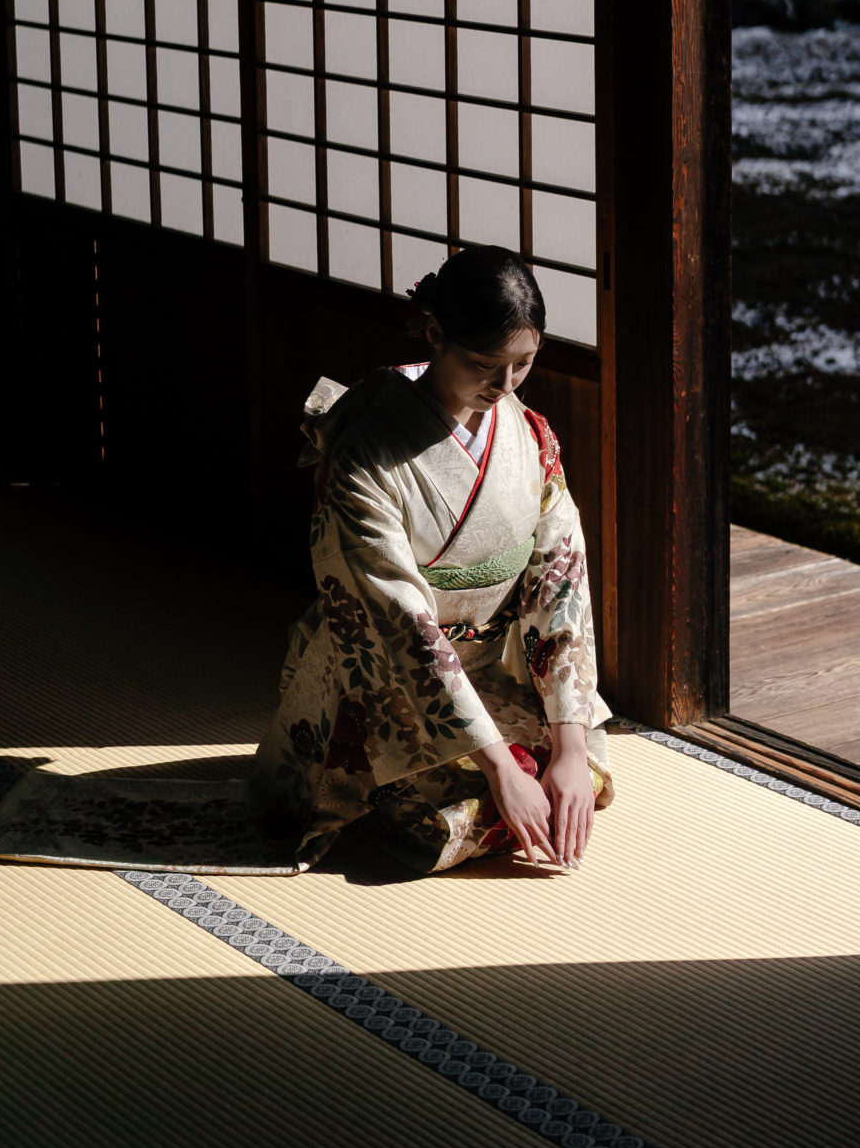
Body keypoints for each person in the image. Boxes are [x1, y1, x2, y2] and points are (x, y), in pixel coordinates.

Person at [250, 246, 613, 876]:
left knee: (581, 777)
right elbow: (397, 618)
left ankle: (509, 776)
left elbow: (560, 578)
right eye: (484, 366)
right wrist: (499, 762)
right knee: (455, 814)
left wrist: (572, 744)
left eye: (523, 365)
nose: (503, 388)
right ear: (436, 333)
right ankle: (441, 791)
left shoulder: (527, 433)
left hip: (494, 670)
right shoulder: (365, 448)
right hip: (392, 677)